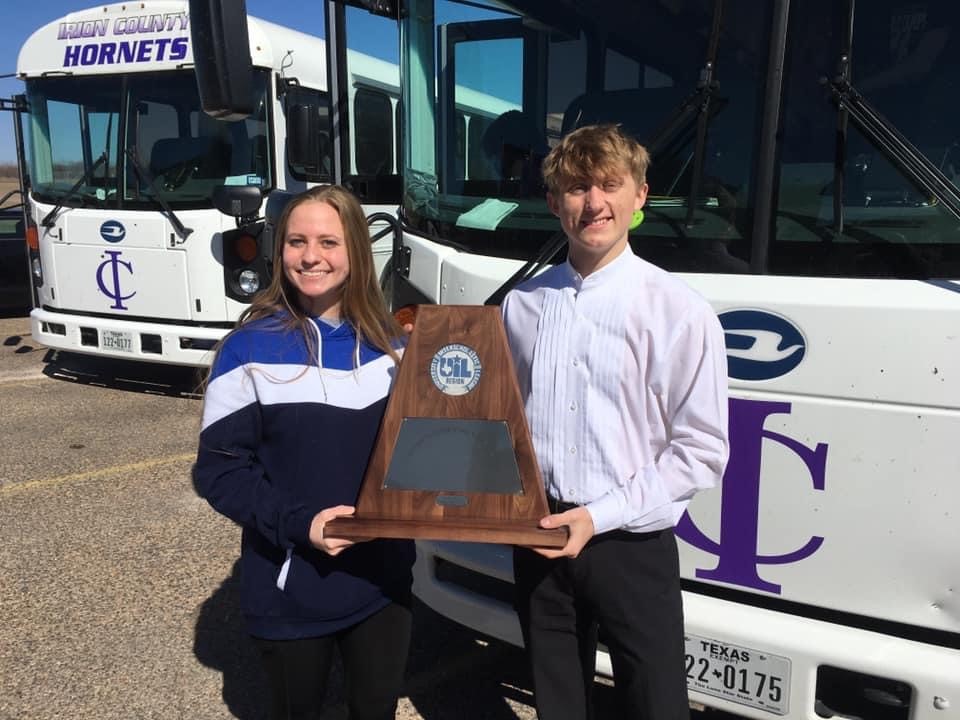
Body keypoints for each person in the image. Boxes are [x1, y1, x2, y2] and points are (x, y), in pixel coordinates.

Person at [501, 124, 730, 720]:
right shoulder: (522, 306)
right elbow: (498, 416)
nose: (594, 202)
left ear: (640, 196)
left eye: (610, 184)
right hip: (541, 530)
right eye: (577, 187)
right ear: (554, 203)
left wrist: (598, 516)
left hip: (631, 544)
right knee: (557, 701)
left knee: (654, 703)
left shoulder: (678, 310)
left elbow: (701, 450)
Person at [193, 185, 413, 720]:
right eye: (296, 241)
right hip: (292, 589)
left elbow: (423, 450)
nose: (311, 256)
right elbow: (220, 472)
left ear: (356, 251)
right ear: (279, 251)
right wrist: (301, 525)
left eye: (327, 242)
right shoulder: (248, 349)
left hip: (382, 586)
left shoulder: (395, 344)